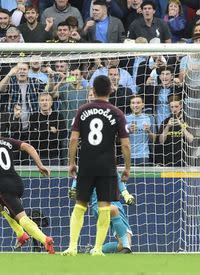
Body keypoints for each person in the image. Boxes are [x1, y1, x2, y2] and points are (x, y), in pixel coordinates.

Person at [62, 75, 131, 256]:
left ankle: (72, 247)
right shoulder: (117, 113)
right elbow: (125, 144)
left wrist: (71, 163)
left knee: (80, 205)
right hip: (107, 166)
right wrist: (127, 168)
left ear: (92, 90)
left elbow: (74, 139)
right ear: (110, 90)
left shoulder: (83, 110)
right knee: (105, 206)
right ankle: (98, 249)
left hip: (86, 164)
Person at [0, 114, 55, 254]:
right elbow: (27, 146)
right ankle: (21, 234)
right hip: (17, 183)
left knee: (22, 217)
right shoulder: (6, 141)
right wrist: (40, 165)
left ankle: (45, 239)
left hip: (4, 188)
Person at [68, 173, 135, 253]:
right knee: (113, 209)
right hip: (98, 204)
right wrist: (73, 189)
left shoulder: (111, 169)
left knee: (122, 245)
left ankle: (92, 250)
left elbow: (119, 182)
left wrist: (126, 195)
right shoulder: (89, 167)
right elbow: (78, 177)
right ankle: (126, 247)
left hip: (117, 205)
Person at [157, 95, 194, 166]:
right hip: (168, 159)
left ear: (181, 107)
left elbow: (190, 139)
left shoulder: (186, 121)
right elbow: (161, 141)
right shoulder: (165, 122)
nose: (174, 109)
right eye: (172, 107)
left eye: (176, 107)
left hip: (183, 159)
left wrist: (182, 126)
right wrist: (167, 126)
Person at [126, 95, 155, 165]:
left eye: (138, 103)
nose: (135, 105)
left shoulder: (149, 118)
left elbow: (154, 139)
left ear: (143, 105)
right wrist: (128, 131)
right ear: (130, 105)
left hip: (143, 156)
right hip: (127, 155)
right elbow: (118, 139)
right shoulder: (125, 118)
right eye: (133, 103)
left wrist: (148, 131)